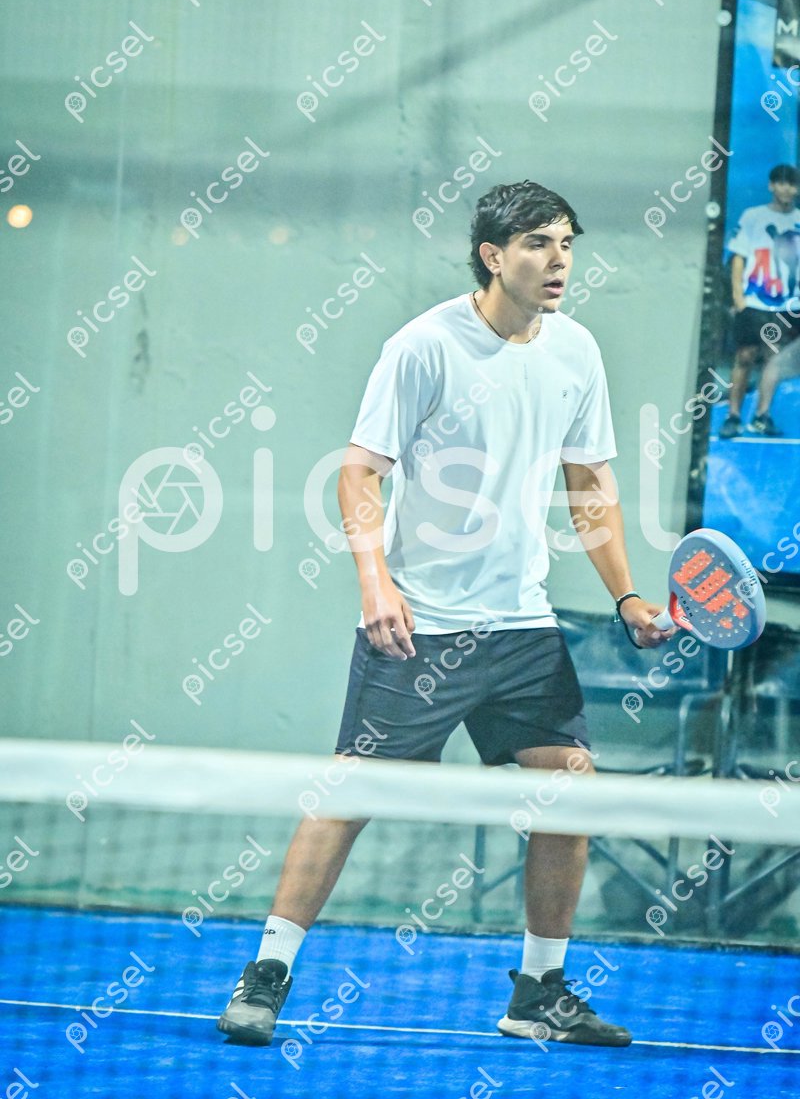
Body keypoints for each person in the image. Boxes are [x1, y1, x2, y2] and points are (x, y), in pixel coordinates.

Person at [217, 180, 672, 1049]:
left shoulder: (576, 351)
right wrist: (376, 584)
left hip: (522, 625)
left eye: (567, 243)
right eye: (538, 243)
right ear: (494, 256)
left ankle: (538, 992)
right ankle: (267, 973)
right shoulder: (424, 346)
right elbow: (359, 471)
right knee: (350, 795)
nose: (559, 261)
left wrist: (626, 595)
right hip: (421, 622)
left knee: (568, 786)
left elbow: (589, 484)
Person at [720, 164, 800, 438]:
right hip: (754, 302)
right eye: (781, 183)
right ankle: (733, 416)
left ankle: (762, 415)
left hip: (789, 305)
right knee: (745, 356)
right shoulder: (753, 217)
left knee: (773, 359)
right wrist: (738, 297)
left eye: (792, 184)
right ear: (771, 186)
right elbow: (739, 257)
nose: (786, 189)